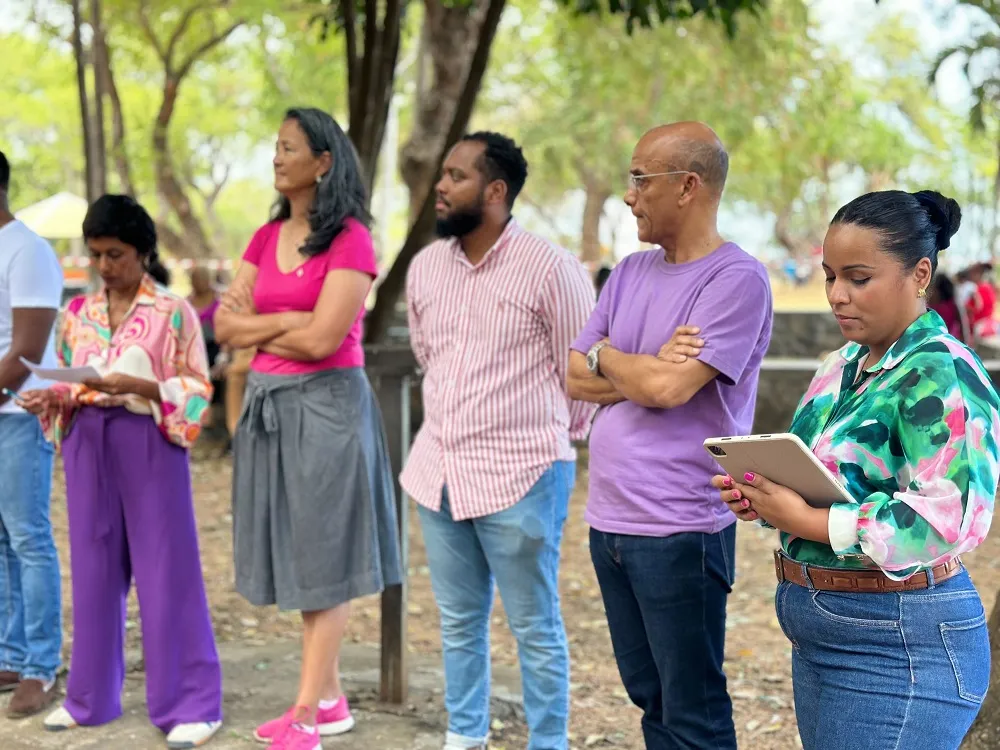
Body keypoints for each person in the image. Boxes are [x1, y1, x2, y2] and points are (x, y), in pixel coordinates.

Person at [713, 190, 1000, 750]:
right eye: (829, 277)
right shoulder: (840, 365)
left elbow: (951, 521)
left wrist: (808, 521)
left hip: (900, 645)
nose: (836, 295)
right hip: (822, 635)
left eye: (858, 278)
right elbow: (825, 482)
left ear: (920, 275)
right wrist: (764, 498)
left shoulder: (941, 372)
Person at [566, 122, 773, 749]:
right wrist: (643, 363)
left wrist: (608, 355)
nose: (629, 196)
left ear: (687, 186)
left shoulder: (735, 280)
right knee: (650, 697)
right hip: (610, 522)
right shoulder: (629, 272)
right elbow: (572, 375)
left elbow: (667, 389)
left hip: (680, 528)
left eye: (640, 179)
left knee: (692, 711)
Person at [400, 131, 595, 750]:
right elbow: (428, 356)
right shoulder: (426, 267)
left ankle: (548, 742)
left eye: (456, 176)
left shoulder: (552, 268)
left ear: (495, 191)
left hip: (523, 474)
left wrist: (555, 443)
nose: (440, 186)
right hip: (438, 473)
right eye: (443, 174)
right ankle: (465, 734)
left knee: (533, 625)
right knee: (458, 622)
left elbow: (579, 371)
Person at [214, 107, 401, 750]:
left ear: (323, 162)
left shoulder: (350, 239)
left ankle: (303, 716)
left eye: (288, 147)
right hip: (270, 408)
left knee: (325, 557)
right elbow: (224, 326)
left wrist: (264, 329)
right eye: (275, 146)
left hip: (328, 410)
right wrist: (287, 322)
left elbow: (325, 340)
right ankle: (330, 699)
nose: (276, 157)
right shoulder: (265, 238)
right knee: (300, 553)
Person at [19, 194, 223, 748]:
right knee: (93, 570)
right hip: (87, 440)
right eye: (96, 255)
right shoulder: (77, 314)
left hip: (149, 438)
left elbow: (198, 389)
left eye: (116, 254)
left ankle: (192, 704)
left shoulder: (173, 312)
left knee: (166, 571)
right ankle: (89, 699)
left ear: (143, 252)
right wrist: (51, 398)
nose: (104, 266)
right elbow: (66, 377)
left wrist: (141, 386)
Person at [0, 150, 64, 718]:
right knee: (2, 543)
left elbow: (25, 351)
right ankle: (10, 653)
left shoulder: (28, 251)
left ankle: (41, 665)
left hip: (19, 416)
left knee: (27, 539)